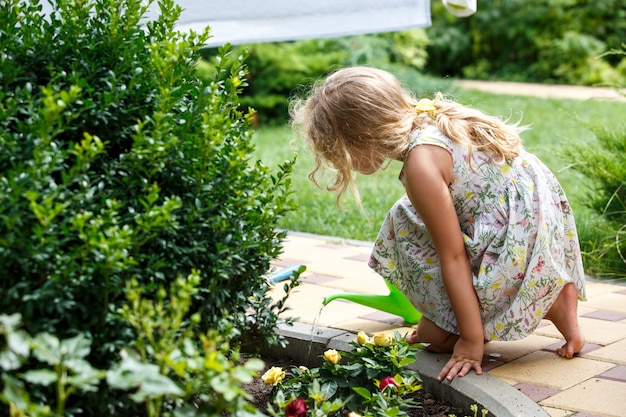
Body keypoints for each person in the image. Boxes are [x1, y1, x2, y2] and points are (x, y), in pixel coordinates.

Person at [290, 66, 586, 382]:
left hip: (514, 242)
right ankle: (554, 296)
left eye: (336, 153)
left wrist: (470, 344)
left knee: (435, 339)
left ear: (359, 140)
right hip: (538, 220)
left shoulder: (421, 164)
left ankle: (546, 296)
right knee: (406, 215)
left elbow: (454, 256)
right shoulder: (430, 119)